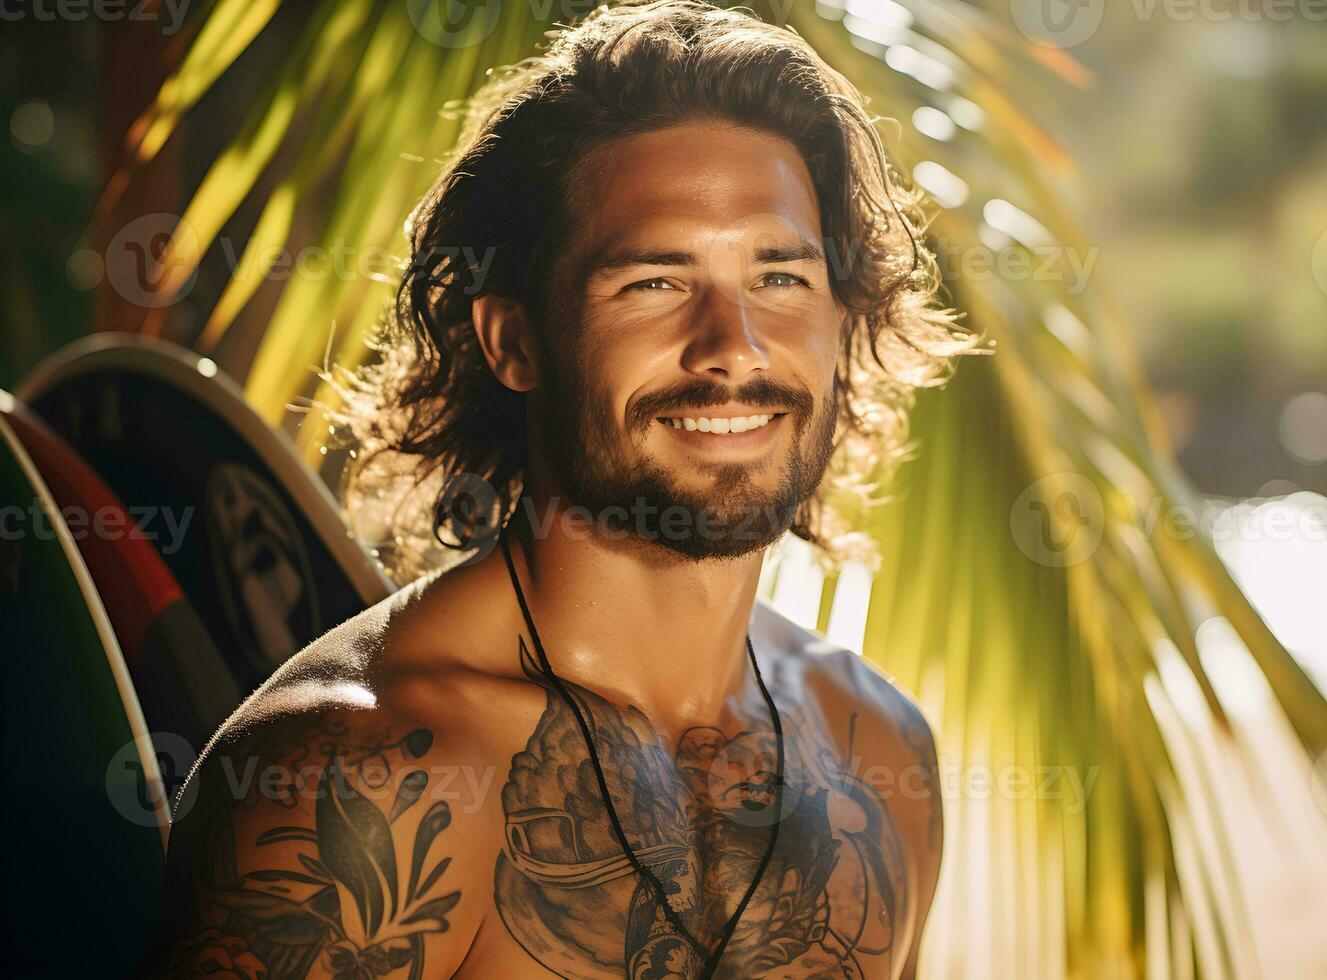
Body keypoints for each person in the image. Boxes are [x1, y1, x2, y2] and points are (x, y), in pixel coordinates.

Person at [151, 2, 976, 976]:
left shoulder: (879, 747)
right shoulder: (353, 780)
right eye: (655, 283)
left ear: (843, 322)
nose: (733, 346)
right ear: (515, 340)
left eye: (780, 278)